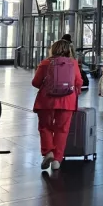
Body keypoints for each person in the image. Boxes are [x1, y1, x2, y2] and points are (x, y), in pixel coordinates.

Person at [31, 38, 83, 170]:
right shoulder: (73, 63)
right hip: (67, 101)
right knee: (62, 130)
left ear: (53, 49)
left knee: (45, 127)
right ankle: (57, 161)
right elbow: (79, 82)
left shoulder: (46, 63)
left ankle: (48, 152)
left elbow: (36, 82)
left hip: (46, 101)